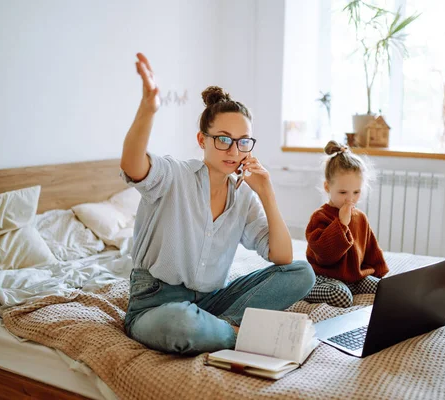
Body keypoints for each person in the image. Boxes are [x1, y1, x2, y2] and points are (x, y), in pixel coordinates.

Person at [120, 53, 315, 356]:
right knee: (181, 324)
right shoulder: (175, 176)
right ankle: (238, 335)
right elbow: (133, 165)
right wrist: (148, 110)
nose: (234, 150)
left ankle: (220, 328)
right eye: (223, 139)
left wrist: (267, 192)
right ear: (202, 140)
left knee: (303, 272)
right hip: (156, 304)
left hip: (212, 301)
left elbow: (283, 257)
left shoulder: (243, 196)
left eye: (243, 141)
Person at [303, 141, 389, 308]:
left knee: (384, 288)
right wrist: (341, 224)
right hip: (325, 277)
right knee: (341, 296)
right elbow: (324, 256)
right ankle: (304, 289)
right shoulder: (319, 217)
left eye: (356, 192)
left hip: (354, 278)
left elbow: (372, 252)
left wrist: (382, 276)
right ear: (327, 187)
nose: (350, 199)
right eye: (343, 192)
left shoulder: (360, 217)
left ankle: (358, 288)